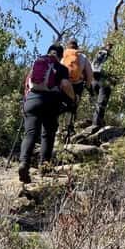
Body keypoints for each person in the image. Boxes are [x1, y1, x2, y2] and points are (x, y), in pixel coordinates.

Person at [18, 43, 76, 184]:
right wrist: (73, 99)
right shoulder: (60, 68)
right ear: (61, 56)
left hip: (31, 100)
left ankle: (24, 163)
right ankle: (44, 166)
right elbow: (65, 85)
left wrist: (25, 102)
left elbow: (27, 85)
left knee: (30, 133)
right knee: (47, 134)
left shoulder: (36, 65)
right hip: (50, 101)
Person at [61, 37, 94, 103]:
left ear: (67, 46)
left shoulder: (64, 57)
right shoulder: (83, 57)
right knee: (74, 103)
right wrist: (88, 86)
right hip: (78, 84)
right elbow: (90, 73)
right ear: (77, 46)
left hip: (65, 83)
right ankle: (74, 109)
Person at [90, 43, 114, 128]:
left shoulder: (98, 53)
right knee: (101, 103)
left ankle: (98, 121)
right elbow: (110, 70)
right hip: (103, 80)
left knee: (98, 102)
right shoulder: (107, 55)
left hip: (93, 80)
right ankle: (96, 124)